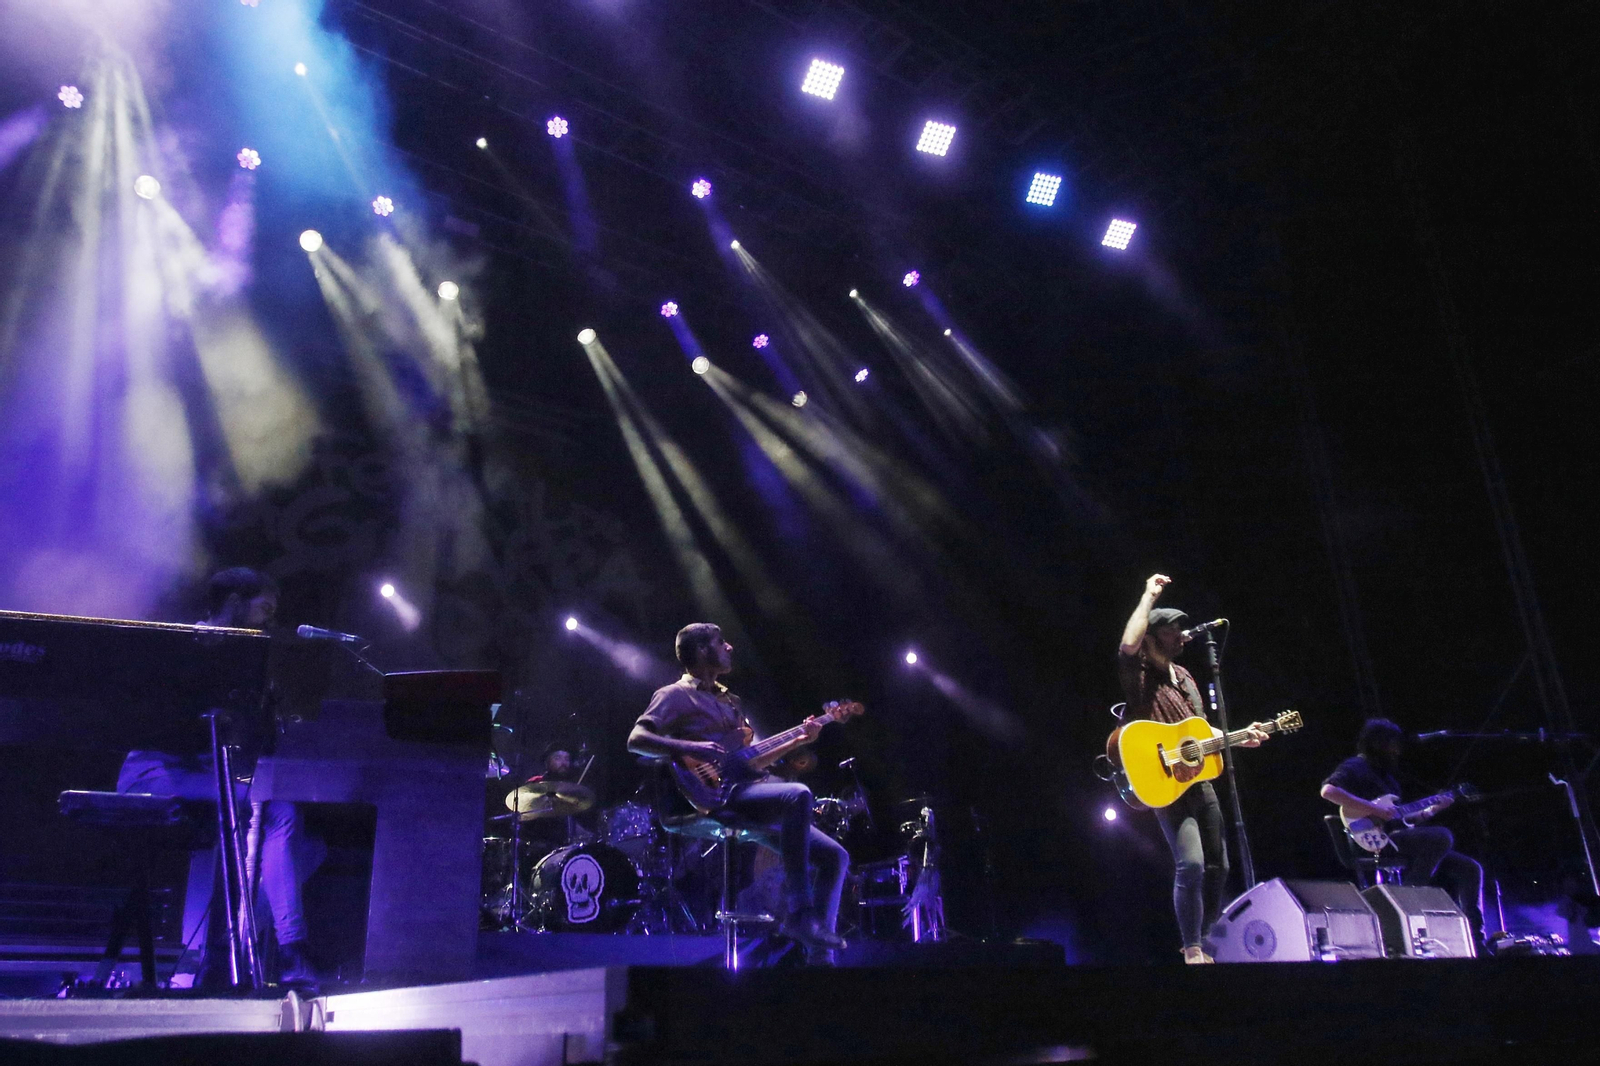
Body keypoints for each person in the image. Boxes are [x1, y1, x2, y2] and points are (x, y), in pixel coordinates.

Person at [117, 568, 324, 987]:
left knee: (306, 843)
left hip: (203, 775)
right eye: (264, 608)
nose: (269, 619)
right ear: (233, 602)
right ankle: (285, 950)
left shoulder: (247, 660)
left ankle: (236, 949)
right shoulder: (183, 645)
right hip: (155, 772)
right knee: (274, 812)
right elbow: (157, 720)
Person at [627, 622, 849, 959]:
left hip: (742, 793)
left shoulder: (731, 701)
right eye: (721, 642)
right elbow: (636, 740)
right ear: (702, 650)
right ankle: (800, 913)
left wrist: (798, 741)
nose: (729, 647)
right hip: (710, 799)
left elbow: (748, 761)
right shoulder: (673, 695)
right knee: (798, 794)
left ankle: (821, 959)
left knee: (836, 856)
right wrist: (692, 747)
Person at [1118, 573, 1266, 964]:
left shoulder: (1184, 678)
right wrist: (1148, 596)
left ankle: (1205, 937)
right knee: (1192, 863)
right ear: (1153, 637)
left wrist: (1240, 737)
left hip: (1199, 782)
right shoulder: (1141, 673)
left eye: (1180, 630)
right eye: (1172, 631)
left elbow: (1200, 732)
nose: (1181, 636)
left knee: (1220, 864)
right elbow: (1128, 643)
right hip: (1166, 783)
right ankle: (1192, 948)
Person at [1320, 718, 1484, 944]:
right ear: (1378, 743)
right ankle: (1408, 898)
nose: (1397, 750)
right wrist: (1375, 809)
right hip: (1373, 841)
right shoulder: (1355, 766)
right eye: (1393, 744)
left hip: (1397, 838)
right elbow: (1328, 791)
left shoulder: (1389, 778)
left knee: (1470, 868)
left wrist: (1432, 810)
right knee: (1442, 836)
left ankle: (1475, 937)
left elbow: (1403, 819)